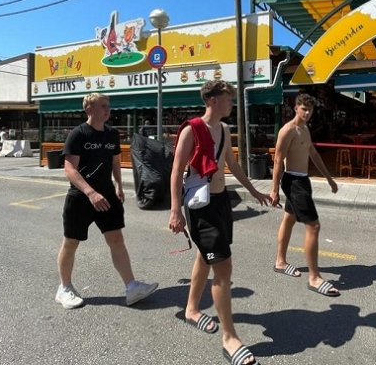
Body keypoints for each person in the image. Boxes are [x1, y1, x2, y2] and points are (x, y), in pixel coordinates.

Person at [168, 80, 270, 365]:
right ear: (212, 100)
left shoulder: (224, 130)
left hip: (222, 201)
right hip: (201, 207)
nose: (231, 104)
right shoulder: (192, 129)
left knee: (206, 256)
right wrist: (175, 211)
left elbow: (233, 165)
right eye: (228, 99)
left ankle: (191, 309)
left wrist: (254, 192)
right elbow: (176, 171)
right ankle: (229, 338)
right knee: (223, 267)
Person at [55, 92, 158, 309]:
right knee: (71, 243)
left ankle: (131, 287)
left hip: (107, 196)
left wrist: (119, 185)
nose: (107, 109)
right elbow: (69, 169)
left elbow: (115, 161)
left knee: (116, 240)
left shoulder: (111, 134)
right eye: (103, 106)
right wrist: (90, 193)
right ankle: (64, 288)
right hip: (81, 198)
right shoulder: (78, 134)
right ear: (89, 109)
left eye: (108, 105)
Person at [270, 93, 341, 297]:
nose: (307, 113)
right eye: (304, 109)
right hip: (293, 181)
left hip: (303, 180)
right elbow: (277, 161)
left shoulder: (305, 129)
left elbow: (314, 154)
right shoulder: (288, 130)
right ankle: (314, 277)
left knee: (289, 219)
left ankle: (280, 261)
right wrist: (274, 189)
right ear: (296, 109)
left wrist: (329, 178)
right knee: (313, 225)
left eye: (310, 110)